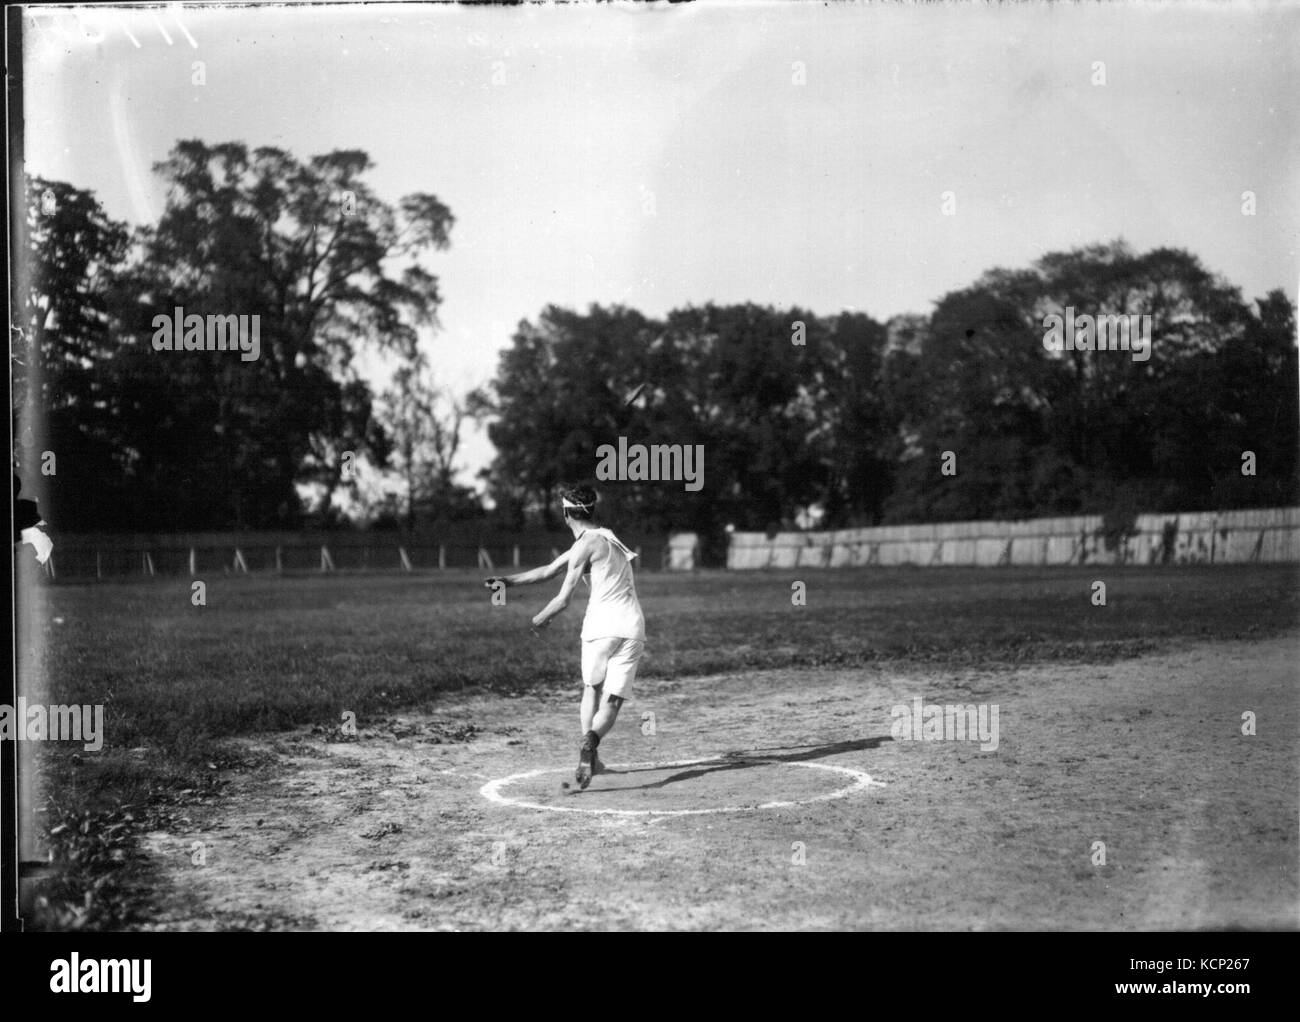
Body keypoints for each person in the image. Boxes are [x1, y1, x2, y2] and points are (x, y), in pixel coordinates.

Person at [485, 484, 645, 789]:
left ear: (566, 514)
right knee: (611, 702)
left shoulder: (584, 546)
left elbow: (563, 598)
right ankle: (592, 747)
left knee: (591, 690)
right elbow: (549, 569)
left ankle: (588, 751)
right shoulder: (607, 537)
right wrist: (507, 581)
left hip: (600, 628)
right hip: (633, 628)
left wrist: (539, 619)